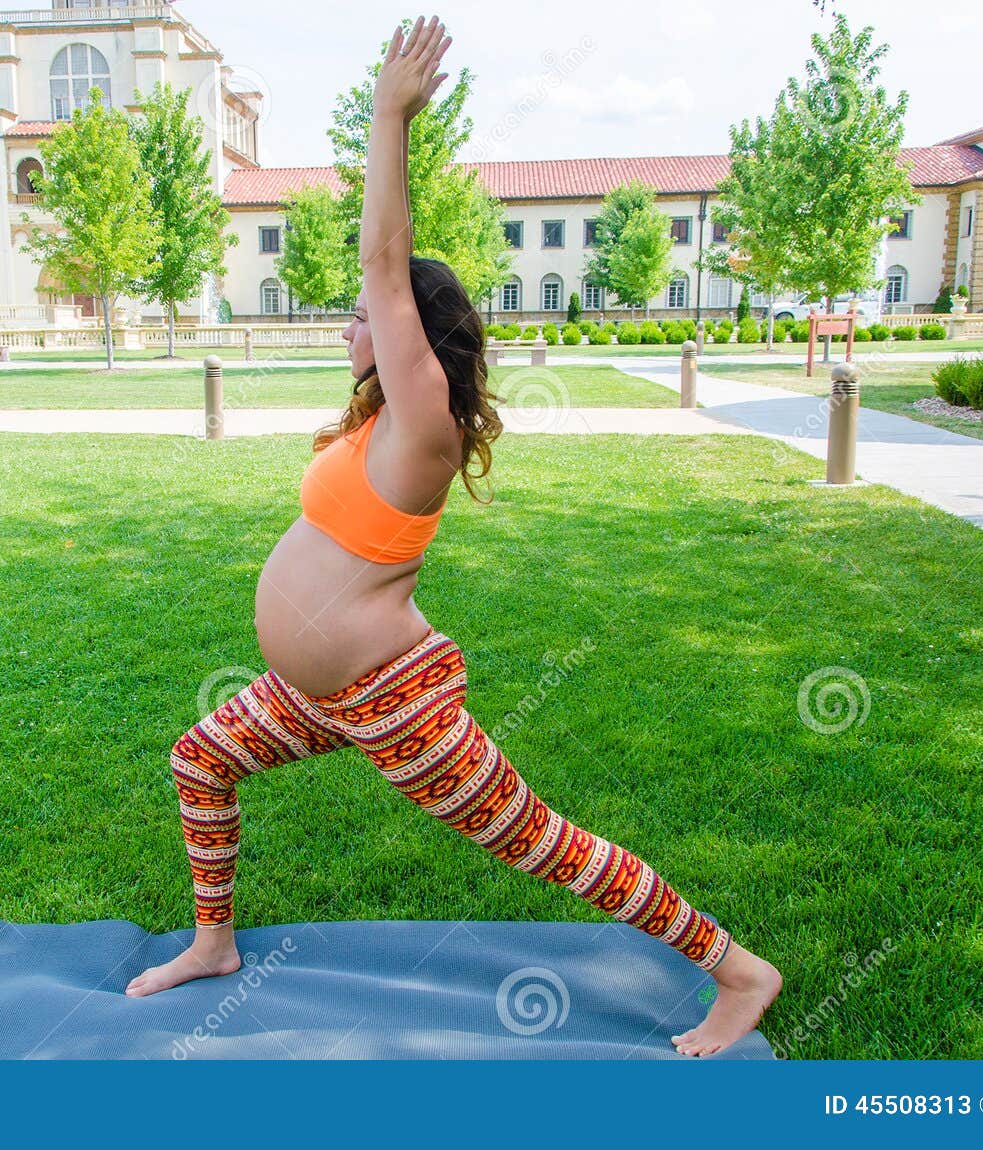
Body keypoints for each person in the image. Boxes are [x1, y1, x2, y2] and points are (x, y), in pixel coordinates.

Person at [125, 15, 782, 1057]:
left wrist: (389, 117)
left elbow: (386, 266)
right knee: (200, 757)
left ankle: (738, 971)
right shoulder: (377, 419)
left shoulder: (421, 412)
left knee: (546, 846)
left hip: (395, 704)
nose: (345, 327)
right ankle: (212, 943)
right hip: (318, 694)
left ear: (407, 333)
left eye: (359, 317)